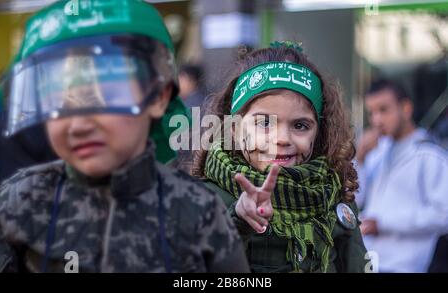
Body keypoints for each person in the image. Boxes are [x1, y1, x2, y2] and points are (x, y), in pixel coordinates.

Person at [0, 0, 249, 273]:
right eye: (59, 101)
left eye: (106, 95)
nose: (78, 124)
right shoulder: (18, 204)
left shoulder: (199, 212)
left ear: (159, 96)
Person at [191, 42, 368, 273]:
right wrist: (238, 223)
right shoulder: (201, 200)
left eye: (300, 125)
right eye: (264, 123)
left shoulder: (334, 196)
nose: (282, 139)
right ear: (233, 128)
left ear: (319, 132)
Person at [356, 79, 448, 273]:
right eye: (371, 112)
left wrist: (383, 223)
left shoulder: (430, 155)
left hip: (404, 266)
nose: (376, 120)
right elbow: (357, 199)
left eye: (383, 110)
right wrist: (360, 160)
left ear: (405, 108)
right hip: (367, 260)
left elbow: (443, 215)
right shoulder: (378, 151)